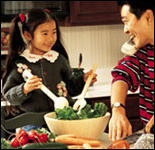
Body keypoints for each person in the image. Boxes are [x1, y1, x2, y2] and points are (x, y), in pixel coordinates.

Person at [2, 8, 97, 119]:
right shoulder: (20, 64)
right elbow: (8, 95)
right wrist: (24, 89)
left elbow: (71, 88)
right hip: (33, 123)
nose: (51, 38)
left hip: (62, 118)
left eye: (54, 32)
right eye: (45, 34)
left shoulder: (58, 59)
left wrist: (83, 80)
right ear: (28, 35)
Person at [109, 1, 154, 141]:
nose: (125, 30)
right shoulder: (142, 51)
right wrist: (117, 109)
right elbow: (122, 75)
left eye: (126, 21)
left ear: (148, 17)